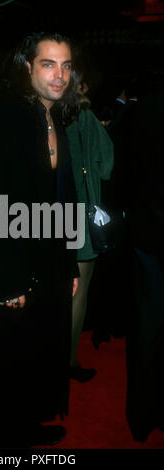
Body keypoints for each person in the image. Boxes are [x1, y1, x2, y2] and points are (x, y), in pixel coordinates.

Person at [0, 32, 80, 448]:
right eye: (49, 64)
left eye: (66, 65)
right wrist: (7, 279)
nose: (60, 75)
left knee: (35, 358)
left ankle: (27, 426)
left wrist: (68, 264)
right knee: (5, 366)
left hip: (45, 258)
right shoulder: (1, 113)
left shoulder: (50, 116)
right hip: (11, 261)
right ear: (26, 66)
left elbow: (63, 195)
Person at [66, 85, 114, 381]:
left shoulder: (38, 113)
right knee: (78, 294)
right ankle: (68, 361)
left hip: (43, 216)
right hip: (80, 214)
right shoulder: (84, 117)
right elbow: (107, 164)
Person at [126, 81, 164, 442]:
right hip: (149, 233)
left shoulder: (143, 107)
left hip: (146, 231)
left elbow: (127, 169)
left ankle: (141, 416)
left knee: (148, 326)